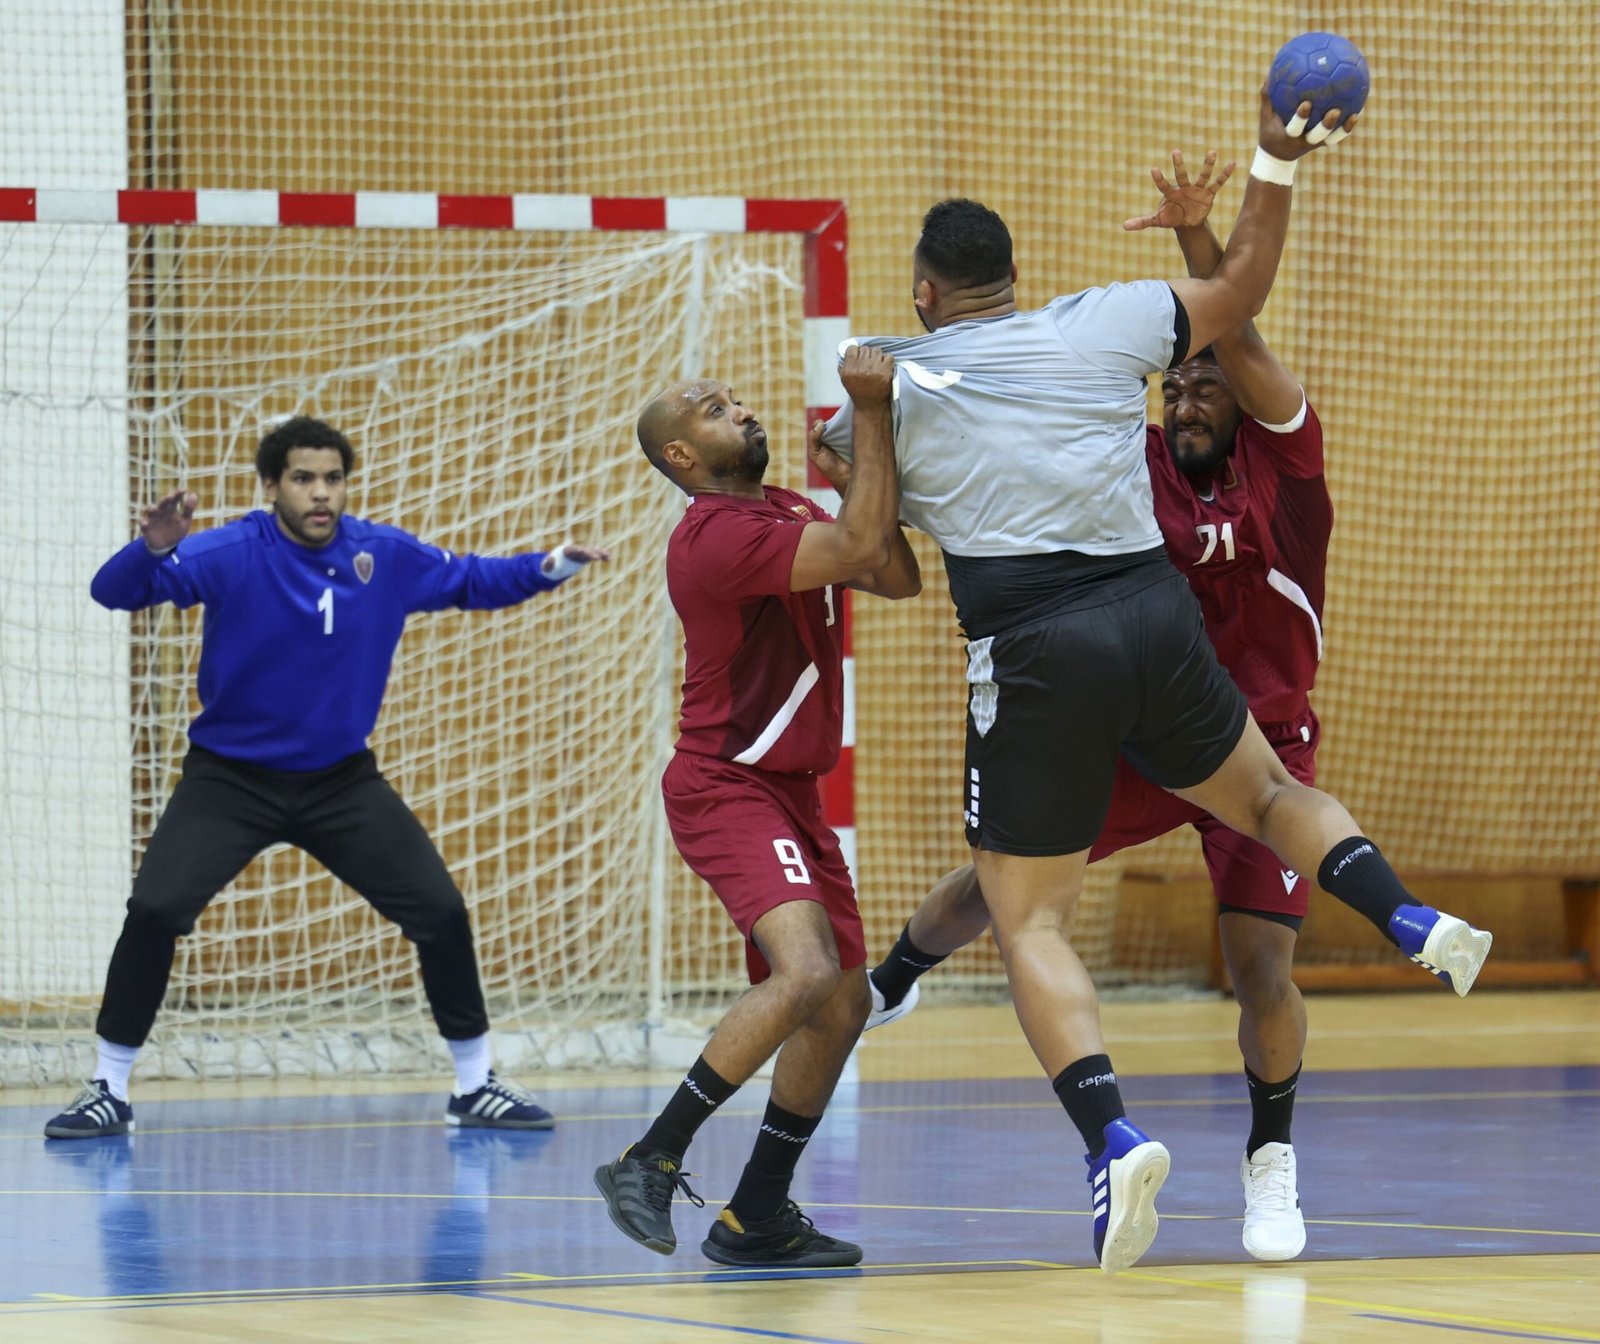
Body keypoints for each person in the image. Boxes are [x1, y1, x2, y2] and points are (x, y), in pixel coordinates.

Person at [817, 88, 1491, 1276]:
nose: (1184, 395)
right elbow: (1227, 303)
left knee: (1052, 916)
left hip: (1080, 661)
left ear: (923, 290)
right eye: (1175, 385)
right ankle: (896, 980)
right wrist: (1269, 168)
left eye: (1201, 386)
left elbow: (878, 561)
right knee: (1028, 874)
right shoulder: (1106, 349)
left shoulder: (1279, 458)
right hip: (1157, 654)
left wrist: (862, 429)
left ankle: (1151, 1143)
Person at [43, 416, 609, 1140]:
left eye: (333, 478)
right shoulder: (230, 550)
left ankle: (475, 1084)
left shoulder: (384, 554)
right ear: (272, 485)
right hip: (230, 781)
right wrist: (151, 547)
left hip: (339, 782)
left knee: (439, 911)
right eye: (304, 478)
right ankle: (108, 1088)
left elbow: (472, 578)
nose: (321, 494)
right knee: (154, 910)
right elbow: (113, 592)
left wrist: (552, 563)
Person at [594, 346, 920, 1269]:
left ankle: (757, 1216)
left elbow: (894, 574)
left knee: (845, 1002)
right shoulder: (712, 536)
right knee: (808, 971)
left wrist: (854, 472)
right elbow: (861, 547)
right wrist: (874, 416)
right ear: (682, 459)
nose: (738, 410)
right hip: (725, 784)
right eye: (712, 409)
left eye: (734, 398)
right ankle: (648, 1156)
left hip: (790, 793)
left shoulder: (783, 510)